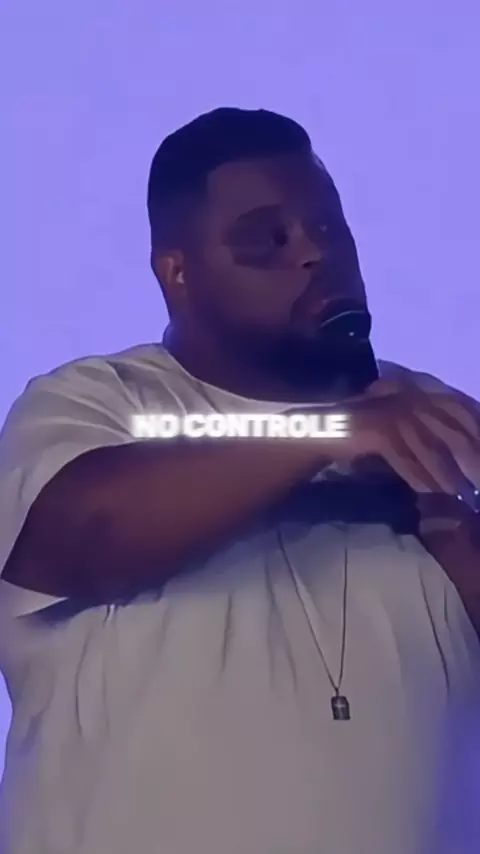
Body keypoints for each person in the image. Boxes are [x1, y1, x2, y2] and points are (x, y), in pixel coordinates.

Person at [0, 107, 479, 854]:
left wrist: (452, 525)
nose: (315, 253)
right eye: (268, 239)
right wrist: (333, 433)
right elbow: (89, 531)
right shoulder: (100, 401)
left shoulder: (432, 422)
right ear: (178, 273)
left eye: (329, 227)